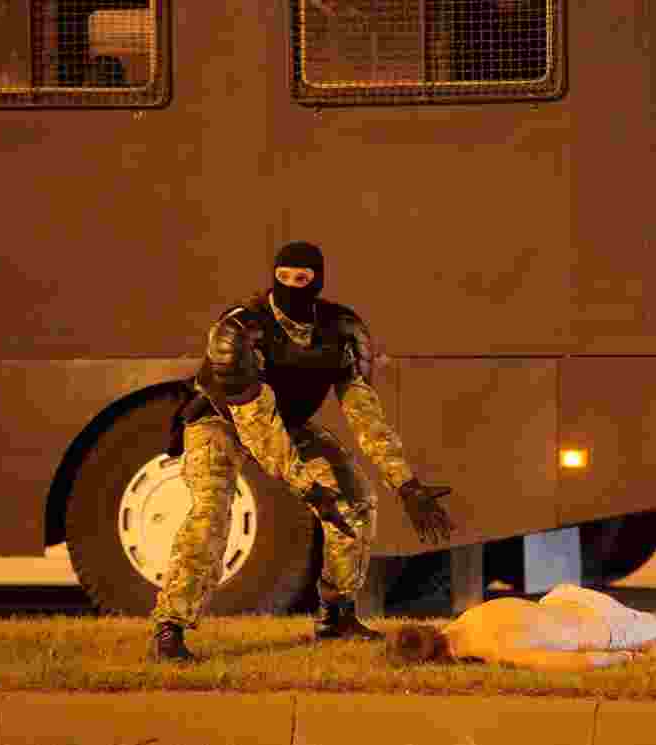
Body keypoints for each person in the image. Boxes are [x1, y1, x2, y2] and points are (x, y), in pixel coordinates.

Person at [150, 241, 456, 662]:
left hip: (288, 423)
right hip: (221, 421)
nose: (294, 286)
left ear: (319, 280)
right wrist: (307, 487)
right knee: (210, 513)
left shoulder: (341, 331)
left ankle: (337, 616)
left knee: (354, 499)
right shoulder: (240, 330)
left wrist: (406, 485)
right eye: (285, 278)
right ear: (273, 277)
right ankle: (170, 627)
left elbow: (365, 415)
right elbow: (257, 426)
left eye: (303, 278)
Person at [387, 584, 656, 673]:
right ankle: (652, 636)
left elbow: (567, 663)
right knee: (645, 625)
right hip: (561, 598)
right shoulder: (464, 620)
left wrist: (620, 659)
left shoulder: (491, 648)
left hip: (601, 625)